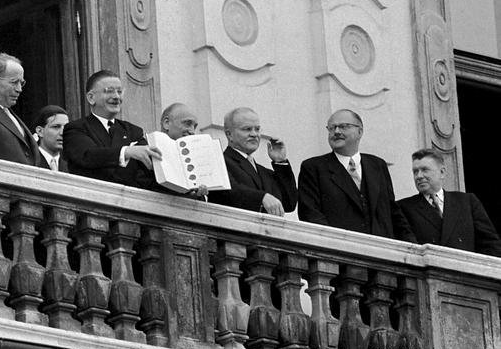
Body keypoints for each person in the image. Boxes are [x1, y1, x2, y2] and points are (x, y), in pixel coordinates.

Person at [298, 109, 416, 242]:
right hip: (340, 254)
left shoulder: (377, 165)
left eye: (343, 126)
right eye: (331, 128)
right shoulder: (313, 167)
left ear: (360, 131)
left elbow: (393, 213)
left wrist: (413, 248)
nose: (336, 132)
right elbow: (310, 214)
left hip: (382, 255)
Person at [62, 70, 161, 188]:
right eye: (109, 91)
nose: (116, 97)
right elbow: (88, 156)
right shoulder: (76, 129)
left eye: (119, 92)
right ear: (91, 98)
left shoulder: (134, 131)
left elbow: (145, 176)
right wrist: (127, 152)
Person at [397, 148, 501, 256]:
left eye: (424, 170)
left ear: (442, 172)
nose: (419, 176)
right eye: (415, 172)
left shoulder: (467, 202)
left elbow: (491, 244)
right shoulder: (403, 207)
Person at [210, 107, 297, 216]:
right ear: (229, 134)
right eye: (247, 129)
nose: (254, 134)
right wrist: (261, 198)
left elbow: (289, 203)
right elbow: (228, 192)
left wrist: (280, 162)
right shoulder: (219, 162)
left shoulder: (264, 172)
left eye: (257, 129)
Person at [158, 102, 208, 198]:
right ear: (166, 123)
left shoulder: (196, 158)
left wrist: (199, 194)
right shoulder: (147, 150)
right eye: (187, 124)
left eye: (194, 126)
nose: (192, 131)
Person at [33, 105, 68, 172]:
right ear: (40, 131)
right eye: (56, 127)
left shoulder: (72, 167)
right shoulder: (29, 162)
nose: (62, 133)